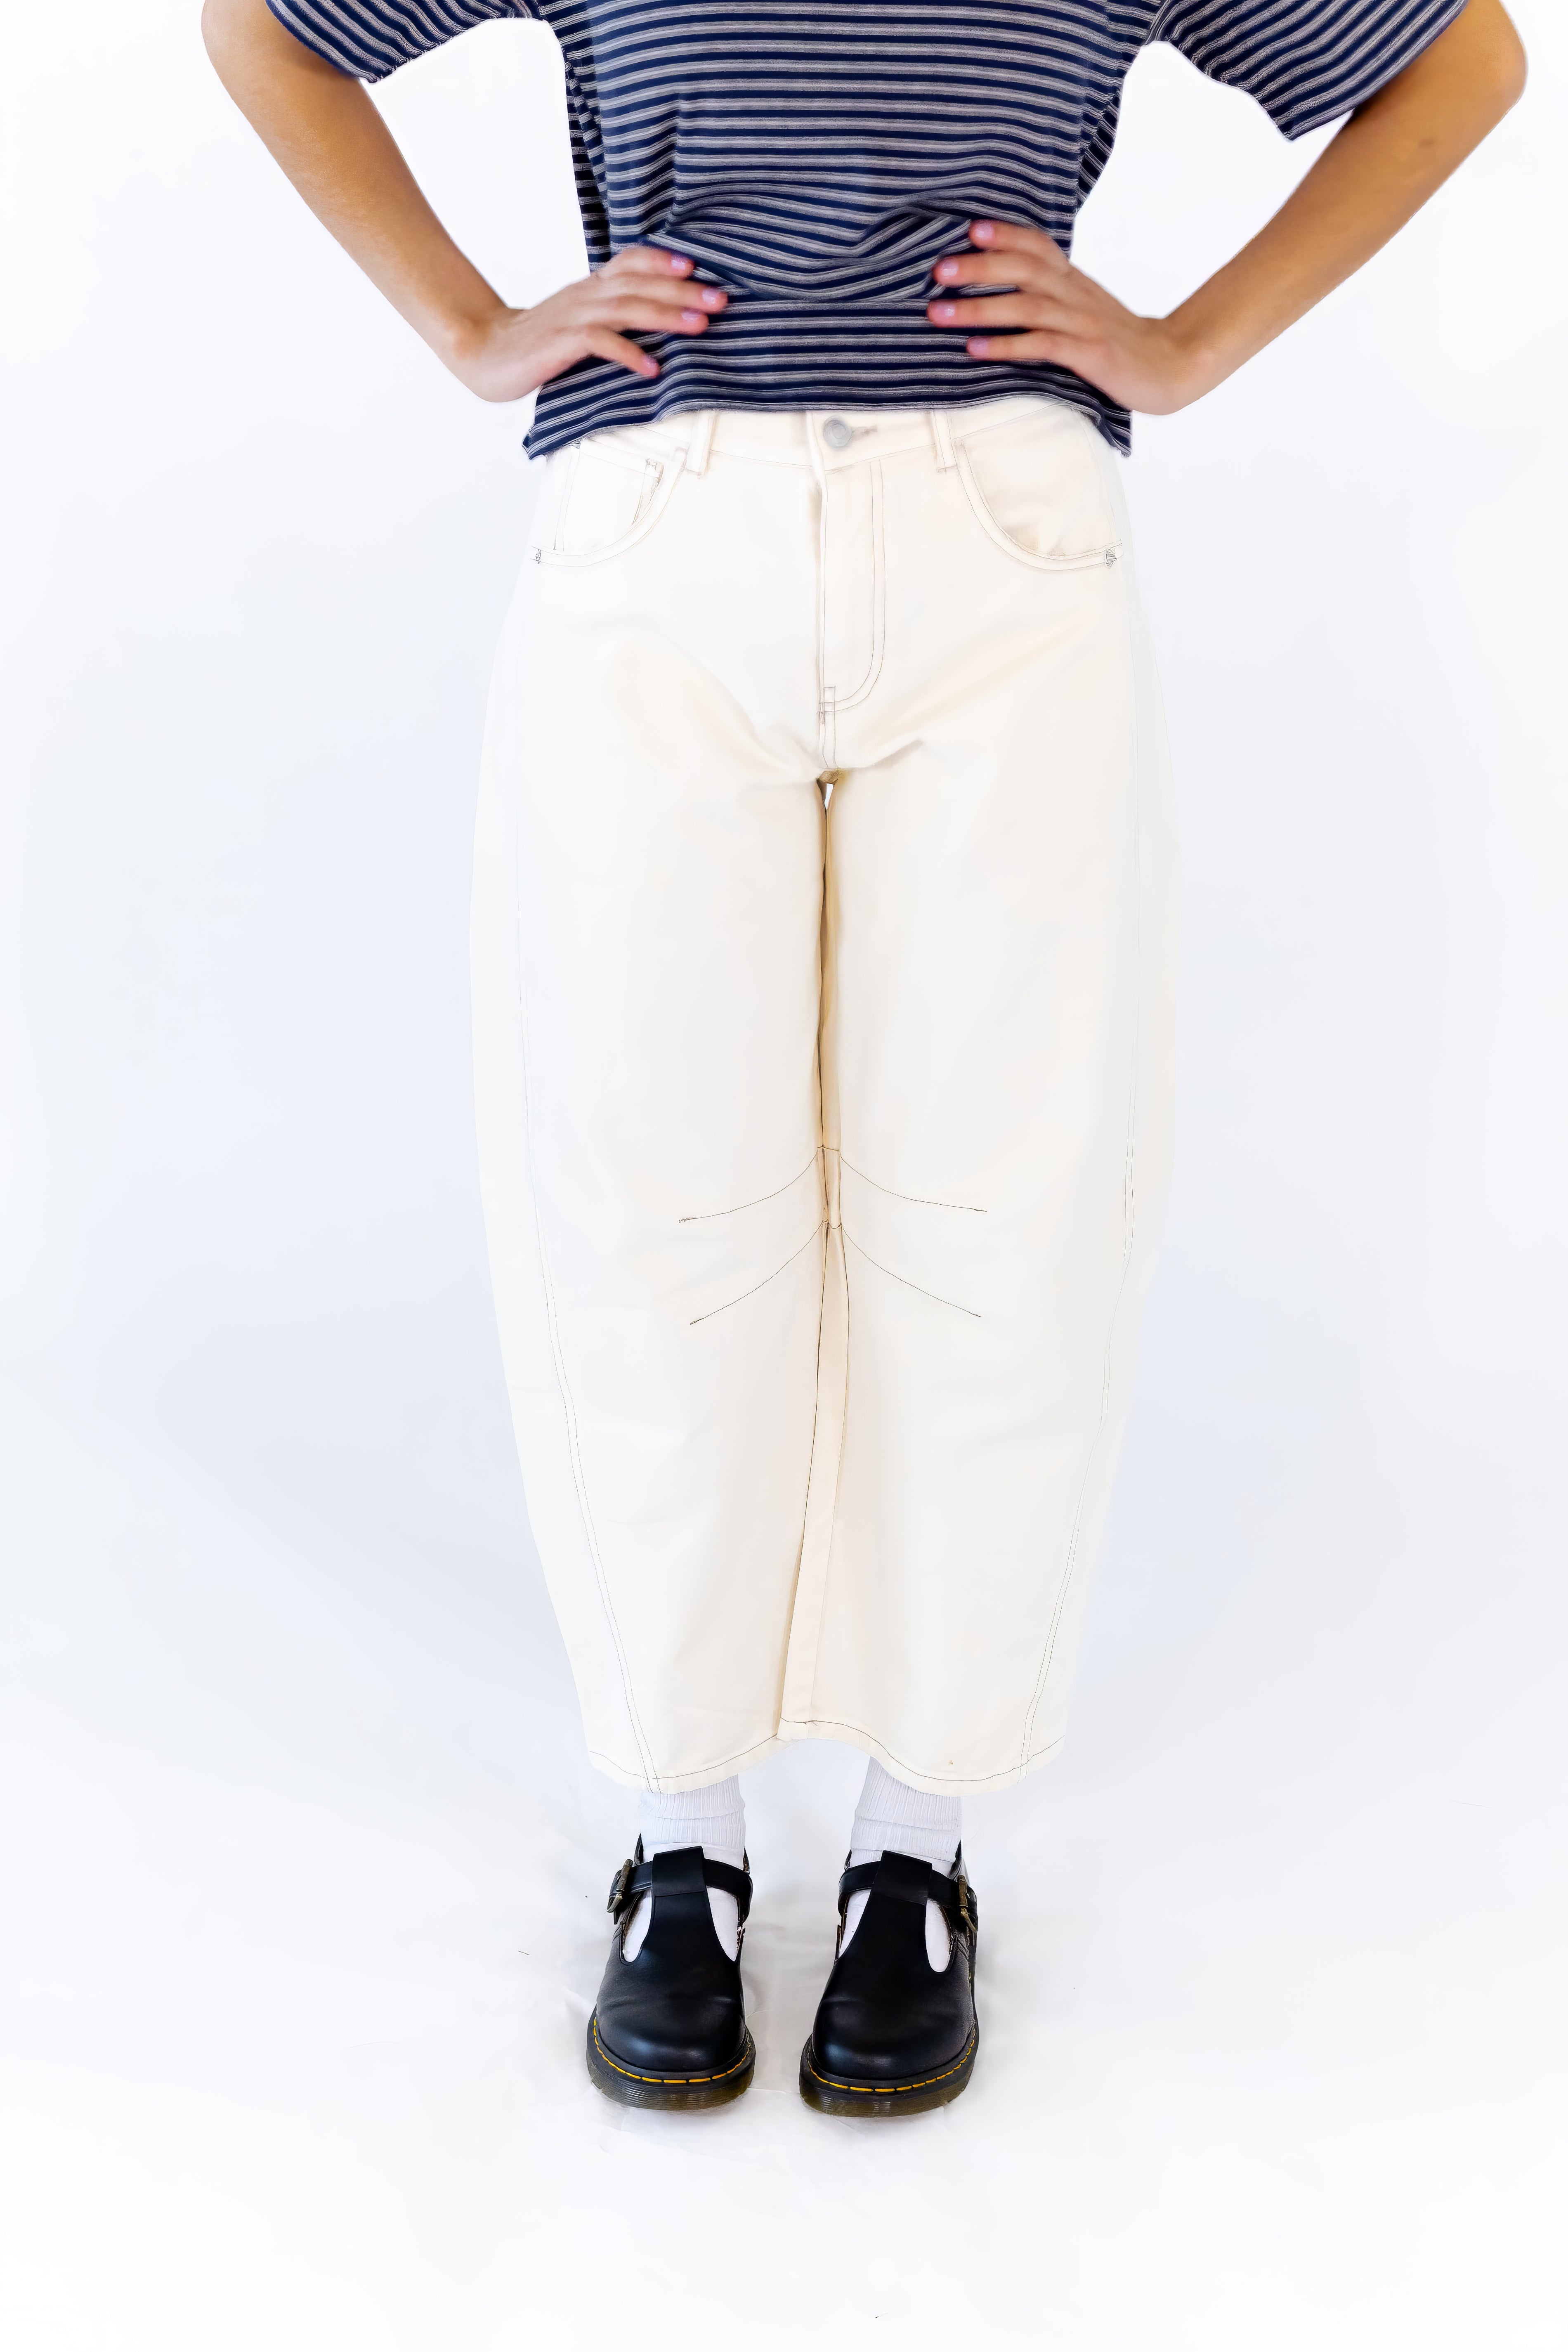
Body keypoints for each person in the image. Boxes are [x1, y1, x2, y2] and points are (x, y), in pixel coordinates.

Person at [202, 0, 1525, 2116]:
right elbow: (267, 29)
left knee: (996, 1211)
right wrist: (469, 325)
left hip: (1001, 555)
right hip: (658, 535)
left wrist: (1183, 344)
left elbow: (1456, 58)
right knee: (651, 1199)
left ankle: (920, 1843)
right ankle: (683, 1837)